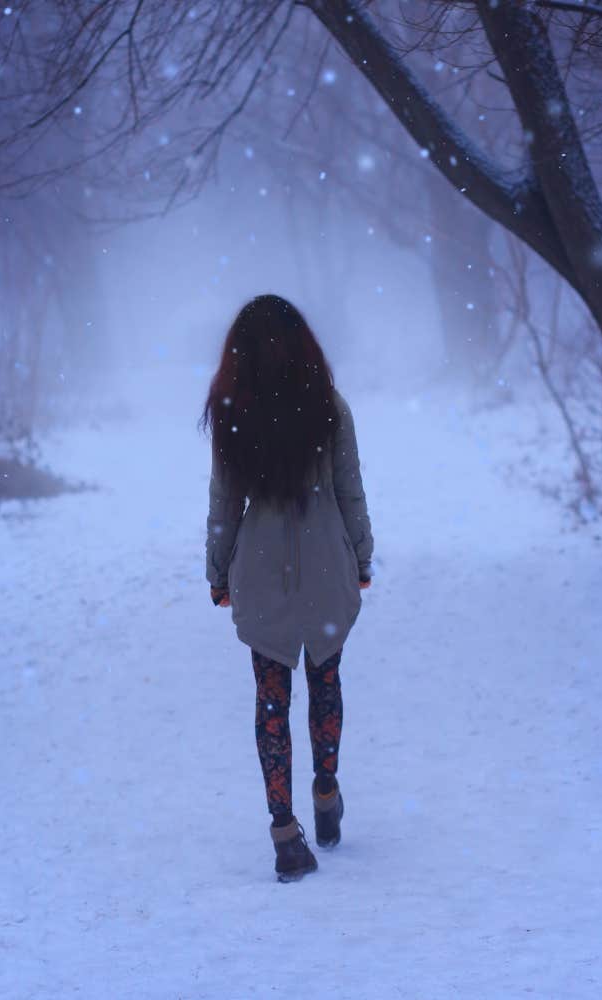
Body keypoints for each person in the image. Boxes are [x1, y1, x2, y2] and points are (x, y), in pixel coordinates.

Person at [199, 294, 374, 883]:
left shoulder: (233, 413)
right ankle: (326, 795)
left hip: (262, 571)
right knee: (326, 681)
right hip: (328, 564)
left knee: (271, 701)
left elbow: (225, 504)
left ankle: (284, 834)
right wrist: (362, 558)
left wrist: (219, 570)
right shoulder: (330, 409)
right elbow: (351, 491)